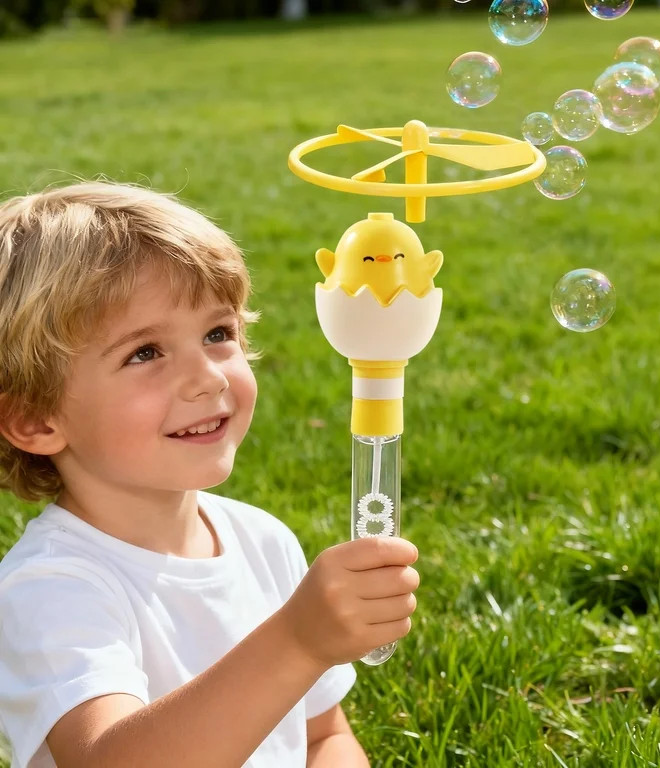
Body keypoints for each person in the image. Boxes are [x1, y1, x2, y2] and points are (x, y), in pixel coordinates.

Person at [0, 181, 420, 768]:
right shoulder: (51, 587)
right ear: (35, 419)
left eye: (217, 334)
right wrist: (297, 640)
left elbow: (324, 736)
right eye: (145, 352)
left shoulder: (263, 541)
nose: (209, 378)